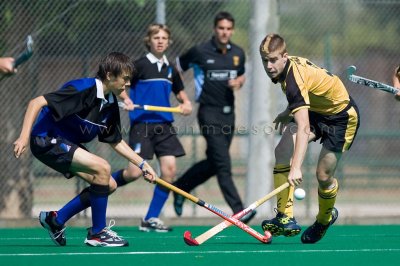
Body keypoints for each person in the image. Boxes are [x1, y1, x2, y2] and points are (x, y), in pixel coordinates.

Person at [13, 52, 157, 247]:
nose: (128, 84)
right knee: (103, 167)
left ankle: (55, 220)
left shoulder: (111, 103)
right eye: (125, 78)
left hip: (64, 142)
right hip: (45, 139)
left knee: (109, 184)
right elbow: (36, 103)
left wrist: (142, 164)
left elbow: (115, 141)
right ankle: (97, 233)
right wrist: (23, 137)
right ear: (108, 74)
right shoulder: (82, 89)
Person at [259, 34, 360, 244]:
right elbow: (305, 94)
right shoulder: (284, 70)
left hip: (341, 117)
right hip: (317, 111)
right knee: (282, 151)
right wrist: (288, 112)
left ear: (284, 56)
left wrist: (296, 167)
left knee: (323, 176)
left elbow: (303, 127)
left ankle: (324, 220)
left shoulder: (291, 77)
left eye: (273, 59)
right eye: (264, 60)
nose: (268, 65)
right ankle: (285, 216)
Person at [172, 11, 256, 223]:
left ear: (232, 30)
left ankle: (181, 187)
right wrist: (182, 97)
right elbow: (176, 68)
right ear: (214, 29)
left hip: (229, 114)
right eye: (221, 28)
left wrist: (240, 82)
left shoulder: (238, 53)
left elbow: (241, 75)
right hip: (208, 113)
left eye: (228, 29)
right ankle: (239, 210)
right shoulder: (200, 51)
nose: (225, 32)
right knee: (224, 163)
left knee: (214, 163)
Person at [112, 24, 192, 232]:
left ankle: (151, 218)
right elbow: (121, 86)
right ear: (149, 40)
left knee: (169, 171)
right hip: (142, 125)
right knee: (134, 172)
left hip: (164, 126)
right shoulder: (139, 65)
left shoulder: (170, 68)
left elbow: (181, 94)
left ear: (168, 42)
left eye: (164, 38)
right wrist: (127, 99)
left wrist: (185, 104)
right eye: (156, 37)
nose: (160, 41)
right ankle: (102, 183)